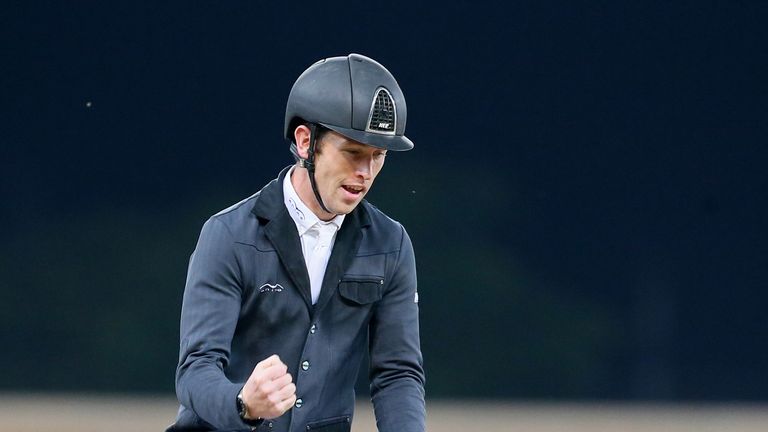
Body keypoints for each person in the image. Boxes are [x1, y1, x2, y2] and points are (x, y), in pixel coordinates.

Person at [167, 53, 425, 432]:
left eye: (378, 156)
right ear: (306, 142)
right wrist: (243, 404)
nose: (365, 172)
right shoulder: (228, 235)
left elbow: (398, 375)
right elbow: (195, 369)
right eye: (353, 152)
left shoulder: (392, 243)